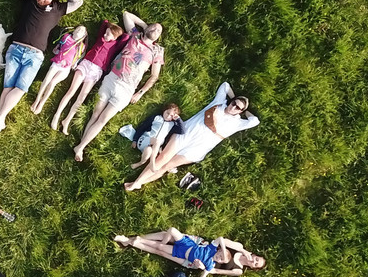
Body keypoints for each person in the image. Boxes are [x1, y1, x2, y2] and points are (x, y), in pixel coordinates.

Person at [0, 0, 83, 133]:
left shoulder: (58, 8)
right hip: (16, 48)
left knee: (21, 88)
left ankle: (0, 117)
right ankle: (0, 120)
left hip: (35, 55)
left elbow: (78, 2)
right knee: (8, 86)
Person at [124, 81, 258, 191]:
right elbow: (225, 85)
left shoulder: (238, 123)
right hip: (186, 133)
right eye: (234, 103)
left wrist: (245, 112)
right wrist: (233, 98)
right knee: (162, 157)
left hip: (197, 148)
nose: (233, 107)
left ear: (240, 111)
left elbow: (255, 121)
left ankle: (138, 183)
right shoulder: (219, 102)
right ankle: (137, 182)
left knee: (166, 167)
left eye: (238, 108)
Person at [72, 11, 165, 161]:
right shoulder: (135, 35)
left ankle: (80, 147)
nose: (156, 30)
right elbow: (127, 15)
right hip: (111, 79)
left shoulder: (157, 51)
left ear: (159, 37)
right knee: (96, 114)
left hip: (127, 90)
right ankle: (80, 147)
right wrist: (144, 25)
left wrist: (140, 93)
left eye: (159, 31)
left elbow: (154, 76)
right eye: (154, 27)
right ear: (147, 28)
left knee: (103, 119)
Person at [50, 19, 127, 135]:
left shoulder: (115, 46)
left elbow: (125, 37)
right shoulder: (101, 37)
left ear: (115, 37)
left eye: (108, 34)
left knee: (81, 97)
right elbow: (104, 23)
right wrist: (109, 25)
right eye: (105, 33)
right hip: (86, 64)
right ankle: (56, 116)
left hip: (96, 71)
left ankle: (67, 120)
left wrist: (116, 31)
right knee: (71, 91)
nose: (105, 35)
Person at [113, 229, 266, 277]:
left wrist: (201, 268)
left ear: (253, 268)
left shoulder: (238, 270)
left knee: (161, 251)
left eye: (256, 264)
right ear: (255, 255)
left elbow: (214, 271)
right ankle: (138, 238)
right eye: (257, 259)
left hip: (195, 261)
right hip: (201, 245)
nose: (254, 261)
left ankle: (131, 242)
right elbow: (223, 240)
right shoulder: (240, 248)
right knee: (168, 235)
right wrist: (243, 251)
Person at [29, 26, 87, 115]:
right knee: (46, 80)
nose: (79, 32)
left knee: (52, 83)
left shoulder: (81, 46)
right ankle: (37, 99)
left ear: (83, 36)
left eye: (82, 31)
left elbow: (78, 57)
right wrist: (56, 50)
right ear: (74, 31)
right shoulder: (66, 37)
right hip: (57, 63)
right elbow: (58, 47)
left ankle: (42, 103)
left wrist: (74, 64)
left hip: (66, 69)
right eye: (78, 29)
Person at [128, 104, 183, 169]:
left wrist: (178, 119)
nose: (168, 116)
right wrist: (135, 139)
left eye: (171, 115)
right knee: (157, 141)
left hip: (153, 148)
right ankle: (152, 162)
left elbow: (182, 131)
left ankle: (140, 163)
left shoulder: (172, 125)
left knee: (148, 150)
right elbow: (142, 127)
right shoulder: (156, 118)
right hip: (144, 140)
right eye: (167, 113)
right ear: (164, 110)